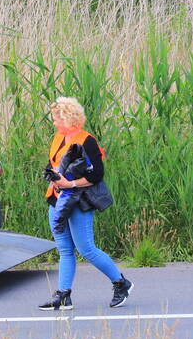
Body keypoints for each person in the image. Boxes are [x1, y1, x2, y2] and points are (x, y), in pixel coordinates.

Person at [39, 97, 132, 311]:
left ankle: (121, 283)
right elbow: (53, 162)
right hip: (56, 200)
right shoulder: (58, 137)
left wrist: (69, 183)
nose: (54, 122)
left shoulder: (86, 140)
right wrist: (53, 176)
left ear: (69, 119)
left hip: (78, 201)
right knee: (65, 250)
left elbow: (97, 175)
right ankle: (63, 295)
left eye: (56, 118)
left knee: (86, 249)